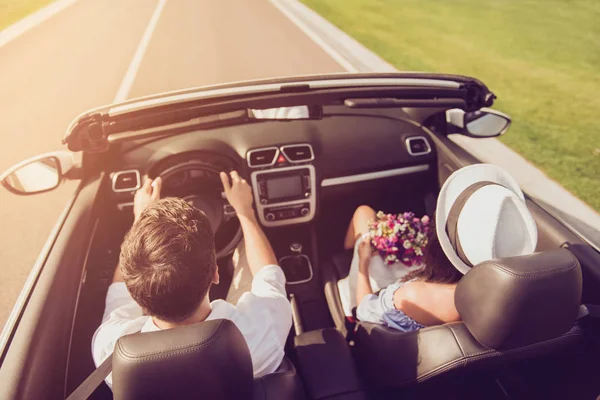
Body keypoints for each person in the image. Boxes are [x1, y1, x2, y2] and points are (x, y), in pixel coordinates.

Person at [92, 171, 292, 387]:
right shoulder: (258, 336)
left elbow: (118, 293)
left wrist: (141, 218)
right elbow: (269, 277)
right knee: (245, 248)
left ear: (135, 294)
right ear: (216, 273)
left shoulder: (111, 352)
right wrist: (245, 212)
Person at [341, 164, 538, 331]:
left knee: (363, 214)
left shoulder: (415, 296)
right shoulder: (519, 295)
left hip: (375, 324)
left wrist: (363, 264)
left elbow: (364, 311)